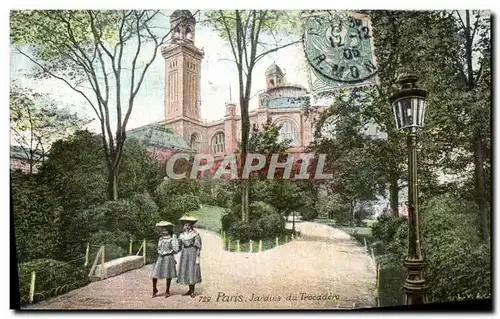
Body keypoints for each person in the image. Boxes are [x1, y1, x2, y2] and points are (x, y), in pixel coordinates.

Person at [150, 221, 179, 298]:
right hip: (161, 257)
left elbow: (176, 249)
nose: (164, 232)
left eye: (165, 230)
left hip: (168, 257)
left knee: (168, 274)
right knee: (155, 274)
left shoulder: (172, 238)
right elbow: (158, 248)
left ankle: (167, 290)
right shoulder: (161, 239)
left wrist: (168, 252)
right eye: (163, 230)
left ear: (169, 231)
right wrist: (160, 251)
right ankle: (154, 289)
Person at [177, 215, 202, 298]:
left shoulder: (195, 234)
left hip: (192, 252)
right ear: (183, 226)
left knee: (192, 270)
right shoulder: (182, 235)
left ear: (191, 225)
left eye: (188, 225)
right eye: (185, 225)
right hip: (185, 253)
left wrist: (197, 256)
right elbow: (179, 246)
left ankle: (192, 291)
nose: (187, 227)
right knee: (186, 270)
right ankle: (189, 290)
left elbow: (198, 246)